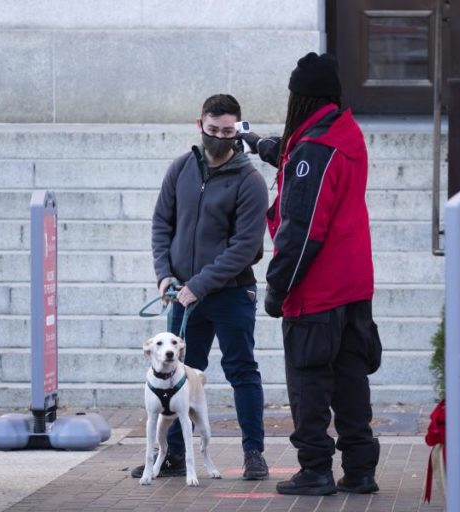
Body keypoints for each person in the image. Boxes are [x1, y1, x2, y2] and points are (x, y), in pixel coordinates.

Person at [241, 53, 383, 496]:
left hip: (317, 291)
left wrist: (277, 288)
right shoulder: (344, 132)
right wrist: (263, 145)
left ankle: (315, 469)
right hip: (354, 286)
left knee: (309, 384)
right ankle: (360, 470)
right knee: (351, 383)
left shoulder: (315, 151)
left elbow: (302, 229)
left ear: (300, 99)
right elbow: (297, 157)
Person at [130, 93, 270, 481]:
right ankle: (172, 454)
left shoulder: (250, 180)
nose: (220, 137)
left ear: (238, 130)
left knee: (242, 370)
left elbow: (244, 247)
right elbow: (161, 224)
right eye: (213, 130)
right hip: (183, 294)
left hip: (230, 293)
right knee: (179, 375)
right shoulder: (180, 169)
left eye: (228, 131)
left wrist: (201, 284)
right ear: (199, 125)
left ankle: (253, 453)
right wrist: (164, 274)